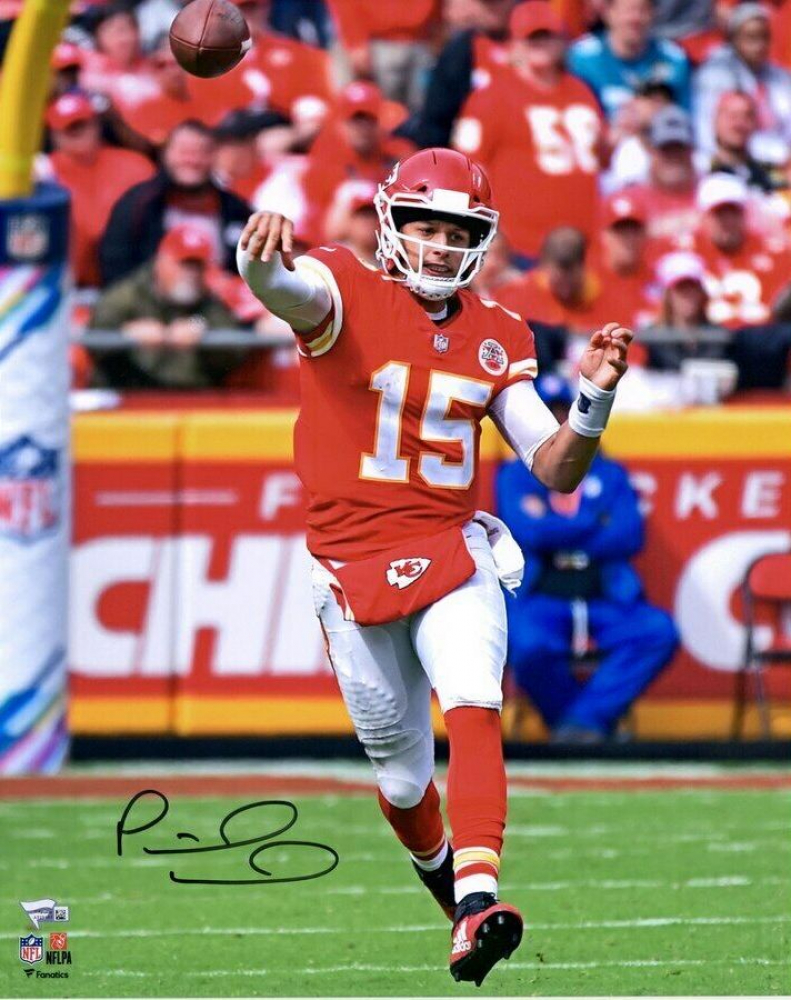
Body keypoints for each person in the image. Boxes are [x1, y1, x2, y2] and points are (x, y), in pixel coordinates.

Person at [236, 146, 634, 985]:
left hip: (451, 549)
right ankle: (456, 903)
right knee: (401, 778)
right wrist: (256, 260)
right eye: (426, 226)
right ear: (391, 223)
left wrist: (593, 397)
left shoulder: (498, 332)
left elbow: (555, 468)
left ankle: (480, 896)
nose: (441, 244)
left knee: (473, 703)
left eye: (457, 232)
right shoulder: (344, 284)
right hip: (348, 565)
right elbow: (288, 291)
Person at [496, 373, 678, 743]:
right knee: (525, 643)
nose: (556, 421)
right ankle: (580, 725)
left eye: (563, 411)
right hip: (541, 596)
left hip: (604, 594)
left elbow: (628, 535)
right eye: (548, 413)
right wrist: (593, 521)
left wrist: (553, 527)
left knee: (657, 631)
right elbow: (528, 533)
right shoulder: (515, 476)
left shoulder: (609, 473)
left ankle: (580, 725)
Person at [453, 1, 604, 261]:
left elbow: (602, 155)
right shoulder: (491, 96)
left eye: (548, 37)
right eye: (533, 38)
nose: (541, 45)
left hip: (583, 246)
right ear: (515, 44)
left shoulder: (582, 91)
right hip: (519, 246)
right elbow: (468, 169)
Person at [89, 225, 245, 389]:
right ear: (161, 262)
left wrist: (199, 326)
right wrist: (125, 334)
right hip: (130, 392)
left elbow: (234, 349)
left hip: (190, 395)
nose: (191, 274)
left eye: (197, 266)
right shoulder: (128, 294)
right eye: (184, 264)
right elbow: (94, 337)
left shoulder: (208, 299)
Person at [99, 119, 251, 287]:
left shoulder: (235, 208)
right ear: (165, 153)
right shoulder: (138, 204)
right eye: (184, 152)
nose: (192, 161)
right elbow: (115, 265)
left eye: (202, 152)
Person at [41, 91, 155, 287]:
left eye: (82, 124)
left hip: (128, 279)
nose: (76, 131)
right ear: (53, 135)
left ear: (97, 124)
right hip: (65, 283)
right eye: (68, 128)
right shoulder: (43, 172)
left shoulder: (136, 165)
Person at [684, 172, 791, 327]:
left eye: (733, 213)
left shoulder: (777, 254)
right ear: (704, 217)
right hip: (702, 340)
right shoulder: (685, 254)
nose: (727, 222)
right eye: (719, 214)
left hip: (764, 337)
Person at [694, 2, 791, 164]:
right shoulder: (714, 75)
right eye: (751, 37)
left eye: (764, 36)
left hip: (782, 160)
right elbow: (707, 132)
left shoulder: (780, 77)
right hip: (730, 160)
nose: (759, 45)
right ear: (734, 39)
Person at [567, 0, 691, 121]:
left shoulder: (672, 58)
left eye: (642, 10)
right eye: (628, 10)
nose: (635, 19)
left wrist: (656, 114)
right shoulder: (582, 58)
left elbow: (684, 118)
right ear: (608, 13)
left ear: (653, 14)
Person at [641, 250, 732, 370]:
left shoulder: (720, 339)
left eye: (692, 288)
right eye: (680, 289)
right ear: (668, 295)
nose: (688, 296)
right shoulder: (651, 341)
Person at [625, 105, 701, 240]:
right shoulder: (629, 201)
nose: (673, 156)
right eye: (665, 149)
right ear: (650, 150)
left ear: (692, 151)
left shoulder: (713, 196)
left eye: (679, 149)